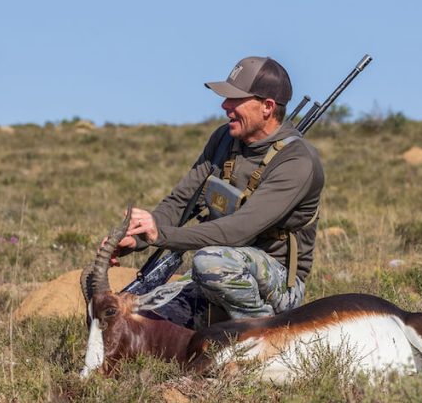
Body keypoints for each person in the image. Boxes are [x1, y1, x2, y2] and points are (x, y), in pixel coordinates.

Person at [116, 56, 324, 328]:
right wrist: (139, 237)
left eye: (235, 100)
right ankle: (218, 329)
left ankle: (264, 335)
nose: (225, 106)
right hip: (220, 270)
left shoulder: (298, 161)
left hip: (276, 282)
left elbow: (239, 231)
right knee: (137, 319)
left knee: (210, 261)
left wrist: (161, 235)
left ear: (267, 107)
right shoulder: (224, 138)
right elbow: (181, 201)